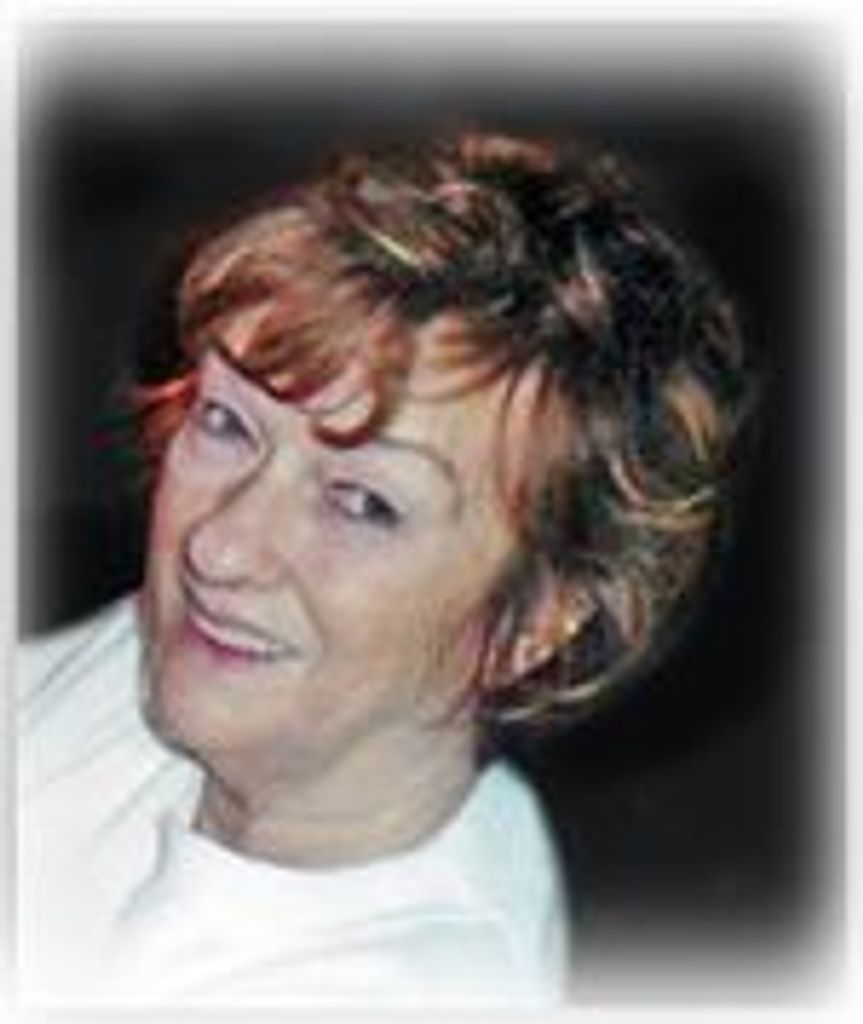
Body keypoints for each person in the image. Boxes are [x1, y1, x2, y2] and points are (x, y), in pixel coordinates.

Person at [17, 127, 753, 1008]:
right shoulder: (213, 665)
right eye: (228, 424)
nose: (218, 547)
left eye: (364, 503)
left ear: (532, 624)